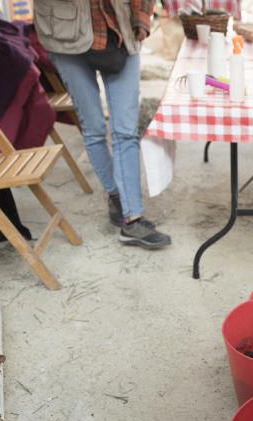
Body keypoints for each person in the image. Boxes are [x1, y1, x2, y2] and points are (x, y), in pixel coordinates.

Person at [33, 0, 171, 249]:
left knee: (126, 131)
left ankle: (133, 220)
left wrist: (141, 17)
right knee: (94, 128)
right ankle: (117, 196)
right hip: (65, 37)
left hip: (120, 31)